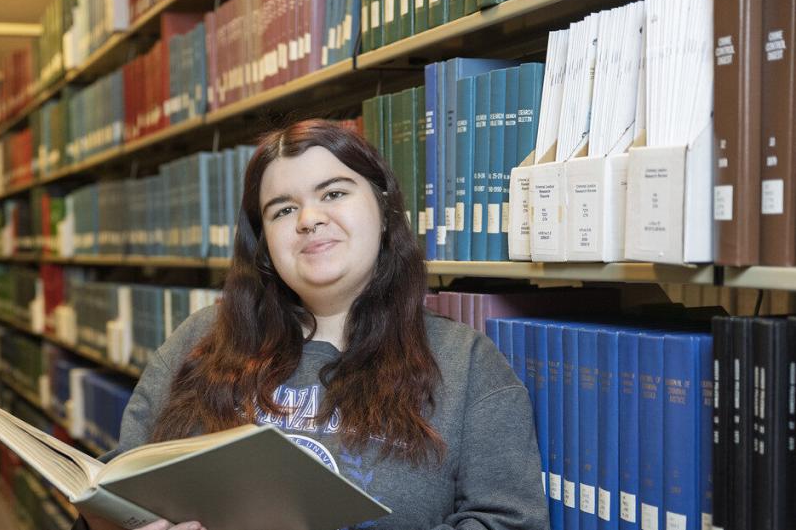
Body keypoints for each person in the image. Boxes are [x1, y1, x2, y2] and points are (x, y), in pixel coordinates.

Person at [77, 119, 549, 530]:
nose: (309, 219)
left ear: (384, 212)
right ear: (263, 242)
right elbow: (118, 488)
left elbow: (509, 521)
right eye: (282, 209)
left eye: (334, 193)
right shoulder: (199, 341)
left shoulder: (465, 363)